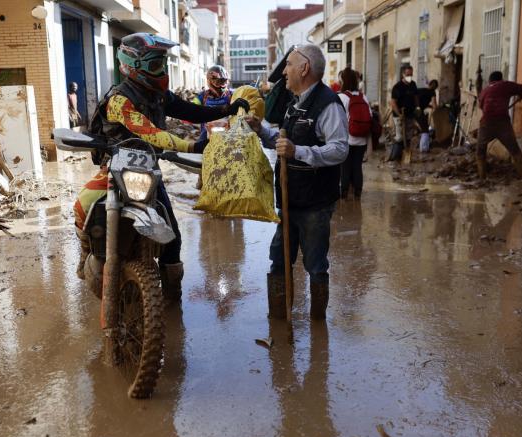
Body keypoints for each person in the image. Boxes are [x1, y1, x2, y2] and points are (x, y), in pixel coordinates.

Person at [75, 33, 249, 299]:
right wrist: (191, 147)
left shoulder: (159, 94)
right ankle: (86, 251)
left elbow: (190, 111)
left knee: (174, 236)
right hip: (117, 166)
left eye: (163, 64)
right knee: (83, 204)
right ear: (133, 66)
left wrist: (226, 109)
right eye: (156, 64)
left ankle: (172, 297)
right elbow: (149, 132)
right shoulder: (119, 99)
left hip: (148, 169)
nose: (162, 70)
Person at [245, 44, 349, 320]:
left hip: (315, 203)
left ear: (304, 69)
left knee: (315, 266)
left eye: (289, 65)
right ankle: (278, 321)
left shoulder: (328, 105)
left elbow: (340, 149)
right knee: (278, 260)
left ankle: (317, 327)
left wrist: (298, 152)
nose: (284, 72)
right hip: (289, 201)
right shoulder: (294, 102)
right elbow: (283, 143)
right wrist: (261, 131)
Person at [476, 71, 522, 180]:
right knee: (515, 150)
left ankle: (482, 178)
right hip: (502, 123)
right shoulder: (505, 85)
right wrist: (519, 93)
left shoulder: (485, 90)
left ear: (490, 81)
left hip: (486, 123)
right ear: (500, 79)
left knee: (480, 151)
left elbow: (481, 106)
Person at [337, 67, 371, 199]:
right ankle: (357, 194)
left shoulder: (341, 97)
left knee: (345, 167)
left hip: (346, 139)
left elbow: (337, 119)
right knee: (357, 166)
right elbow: (369, 116)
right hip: (361, 139)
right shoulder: (363, 97)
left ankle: (343, 195)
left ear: (343, 81)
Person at [192, 65, 233, 148]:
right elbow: (192, 107)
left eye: (223, 81)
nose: (221, 85)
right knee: (200, 147)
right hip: (207, 129)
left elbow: (241, 101)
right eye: (218, 82)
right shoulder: (203, 95)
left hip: (228, 128)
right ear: (210, 81)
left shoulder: (231, 95)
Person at [391, 65, 420, 143]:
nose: (409, 77)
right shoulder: (397, 87)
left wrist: (417, 107)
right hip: (399, 115)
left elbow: (416, 97)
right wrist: (399, 114)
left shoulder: (413, 84)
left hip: (410, 114)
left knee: (408, 137)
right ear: (403, 75)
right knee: (400, 137)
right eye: (408, 75)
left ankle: (406, 152)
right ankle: (397, 153)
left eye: (411, 75)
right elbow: (393, 103)